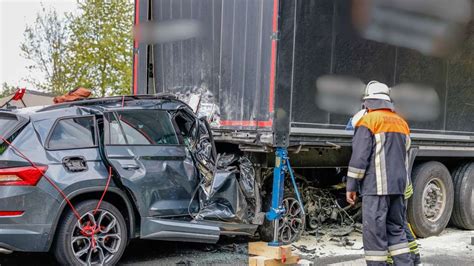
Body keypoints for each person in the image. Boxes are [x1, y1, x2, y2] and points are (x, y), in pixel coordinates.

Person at [346, 81, 413, 265]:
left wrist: (351, 185)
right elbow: (405, 153)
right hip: (398, 189)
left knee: (374, 235)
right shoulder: (402, 123)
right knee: (396, 231)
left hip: (376, 189)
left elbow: (359, 158)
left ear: (368, 102)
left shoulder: (368, 121)